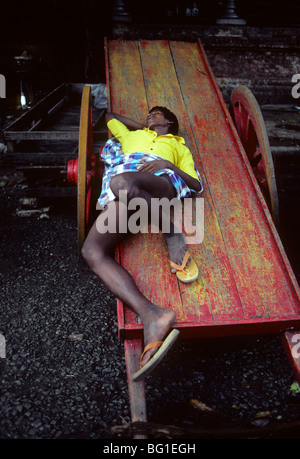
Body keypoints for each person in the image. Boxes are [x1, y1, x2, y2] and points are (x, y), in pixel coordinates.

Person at [81, 106, 203, 381]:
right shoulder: (131, 136)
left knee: (121, 181)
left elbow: (195, 184)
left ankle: (172, 234)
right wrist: (143, 126)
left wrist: (168, 165)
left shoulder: (177, 145)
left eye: (156, 113)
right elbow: (109, 118)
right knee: (91, 251)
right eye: (148, 113)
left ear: (170, 121)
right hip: (123, 192)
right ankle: (152, 315)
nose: (150, 115)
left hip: (159, 183)